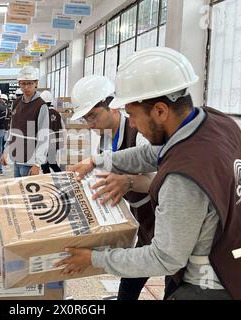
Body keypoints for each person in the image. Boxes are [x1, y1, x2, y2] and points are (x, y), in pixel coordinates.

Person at [56, 47, 241, 300]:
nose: (131, 123)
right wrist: (97, 160)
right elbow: (152, 154)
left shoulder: (183, 177)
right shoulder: (217, 123)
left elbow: (164, 258)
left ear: (159, 110)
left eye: (133, 115)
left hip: (211, 286)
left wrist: (95, 258)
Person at [70, 75, 156, 300]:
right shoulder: (105, 138)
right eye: (86, 119)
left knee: (172, 277)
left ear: (112, 106)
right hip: (143, 218)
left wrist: (128, 182)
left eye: (93, 116)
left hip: (161, 216)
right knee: (132, 277)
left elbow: (159, 182)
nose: (90, 124)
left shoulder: (140, 135)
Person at [1, 66, 50, 177]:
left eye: (30, 83)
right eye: (23, 83)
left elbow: (44, 136)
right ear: (19, 84)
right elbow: (12, 131)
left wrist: (37, 164)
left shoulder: (41, 106)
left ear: (36, 83)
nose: (26, 87)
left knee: (27, 194)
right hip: (16, 158)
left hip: (30, 162)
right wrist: (6, 151)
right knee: (17, 192)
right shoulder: (16, 103)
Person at [40, 90, 65, 174]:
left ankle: (58, 177)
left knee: (46, 163)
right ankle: (58, 176)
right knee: (50, 162)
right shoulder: (57, 113)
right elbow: (63, 128)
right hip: (55, 142)